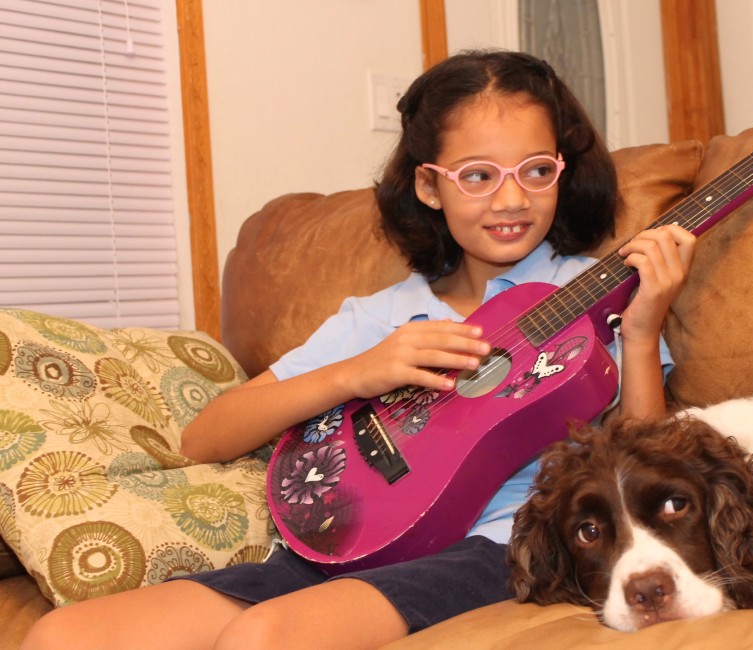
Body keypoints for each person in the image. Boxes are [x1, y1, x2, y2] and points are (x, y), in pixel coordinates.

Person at [22, 49, 696, 650]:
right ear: (429, 185)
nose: (510, 197)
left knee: (264, 638)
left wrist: (641, 331)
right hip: (346, 542)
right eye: (478, 176)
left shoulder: (589, 292)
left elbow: (647, 470)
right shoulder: (383, 317)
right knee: (63, 635)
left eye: (536, 170)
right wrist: (358, 372)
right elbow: (205, 437)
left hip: (499, 547)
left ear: (563, 171)